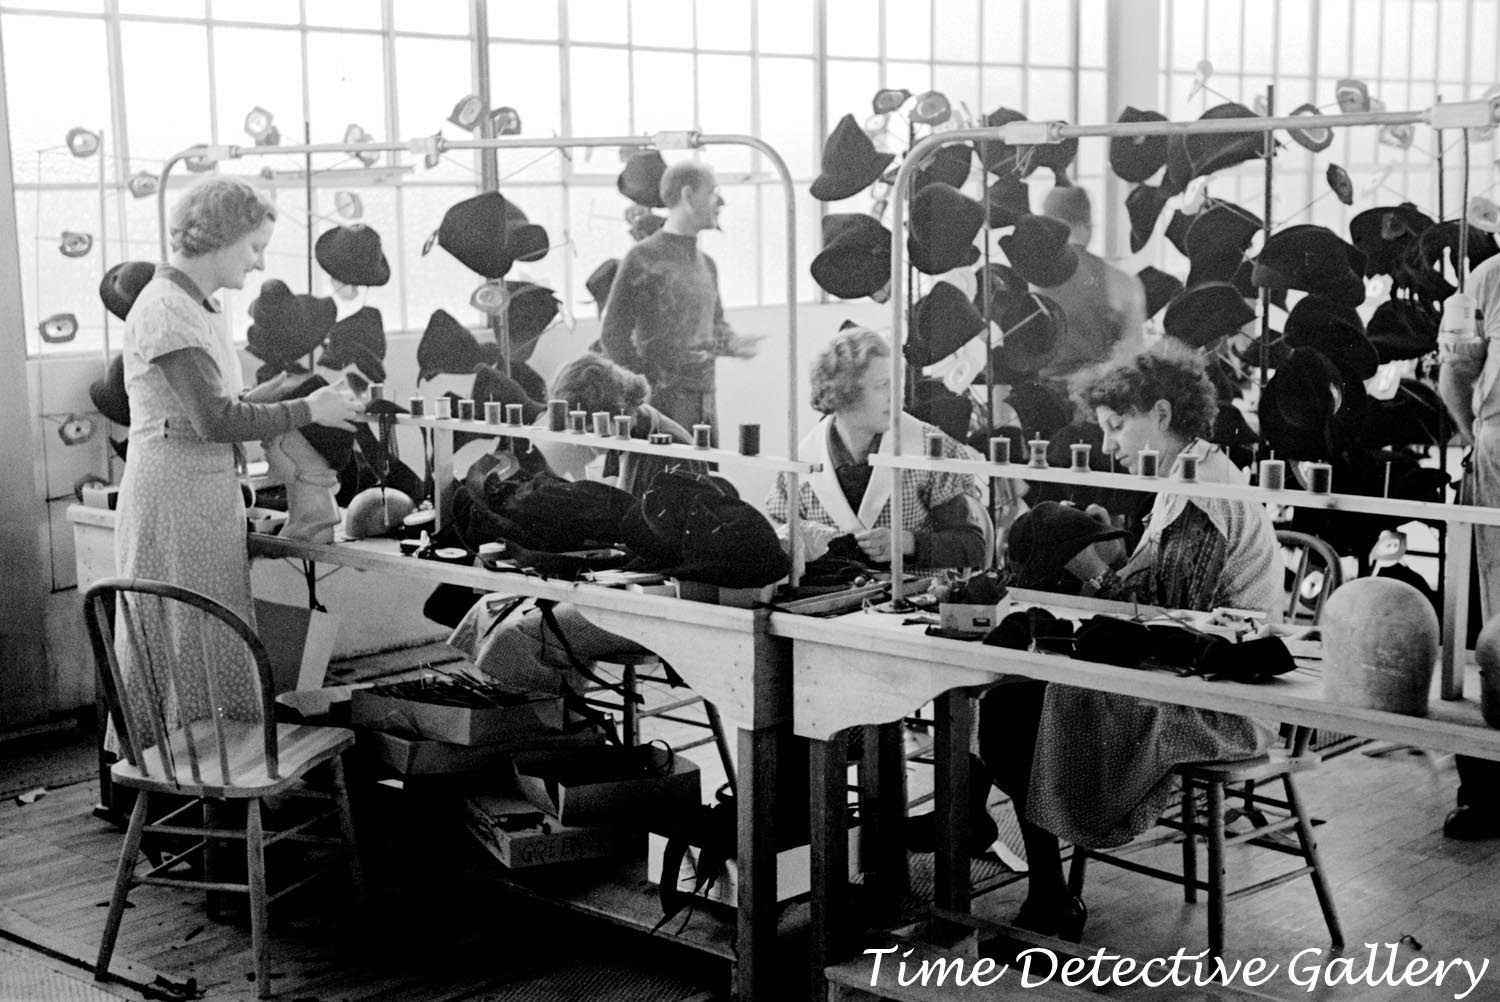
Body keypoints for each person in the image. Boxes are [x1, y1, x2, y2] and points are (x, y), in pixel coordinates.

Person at [978, 342, 1280, 939]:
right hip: (1187, 677)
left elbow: (1176, 622)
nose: (1111, 445)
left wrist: (1096, 570)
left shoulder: (1203, 493)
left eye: (1117, 427)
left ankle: (1046, 892)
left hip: (1221, 700)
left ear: (1161, 416)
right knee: (1015, 698)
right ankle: (1041, 885)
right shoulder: (1188, 476)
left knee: (1019, 707)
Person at [113, 177, 360, 735]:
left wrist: (293, 391)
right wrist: (307, 410)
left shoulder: (196, 308)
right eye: (254, 247)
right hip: (173, 499)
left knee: (204, 630)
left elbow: (220, 405)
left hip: (193, 491)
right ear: (220, 239)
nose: (258, 261)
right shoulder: (168, 311)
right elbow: (216, 421)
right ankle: (197, 766)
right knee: (191, 629)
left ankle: (208, 766)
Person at [448, 354, 702, 696]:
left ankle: (565, 726)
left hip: (654, 608)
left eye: (584, 425)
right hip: (621, 587)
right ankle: (545, 718)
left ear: (612, 412)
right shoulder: (622, 437)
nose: (584, 442)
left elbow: (667, 549)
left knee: (513, 637)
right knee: (486, 611)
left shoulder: (669, 450)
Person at [765, 325, 990, 573]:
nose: (896, 397)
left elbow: (972, 547)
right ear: (844, 391)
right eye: (883, 385)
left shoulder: (930, 447)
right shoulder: (801, 465)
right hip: (832, 605)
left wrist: (907, 543)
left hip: (917, 603)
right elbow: (777, 550)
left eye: (897, 384)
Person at [599, 160, 760, 439]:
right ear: (687, 196)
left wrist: (732, 343)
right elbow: (612, 335)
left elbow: (715, 326)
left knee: (704, 480)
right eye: (712, 192)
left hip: (704, 402)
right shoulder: (642, 259)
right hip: (660, 407)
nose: (720, 201)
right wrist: (646, 385)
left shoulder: (707, 264)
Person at [1437, 252, 1500, 841]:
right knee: (1494, 623)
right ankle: (1487, 792)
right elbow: (1454, 372)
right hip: (1496, 454)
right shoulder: (1487, 278)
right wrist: (1473, 441)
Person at [1034, 185, 1147, 384]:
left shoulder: (1026, 279)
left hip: (1040, 399)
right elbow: (1133, 356)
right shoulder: (1122, 281)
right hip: (1096, 399)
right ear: (1085, 225)